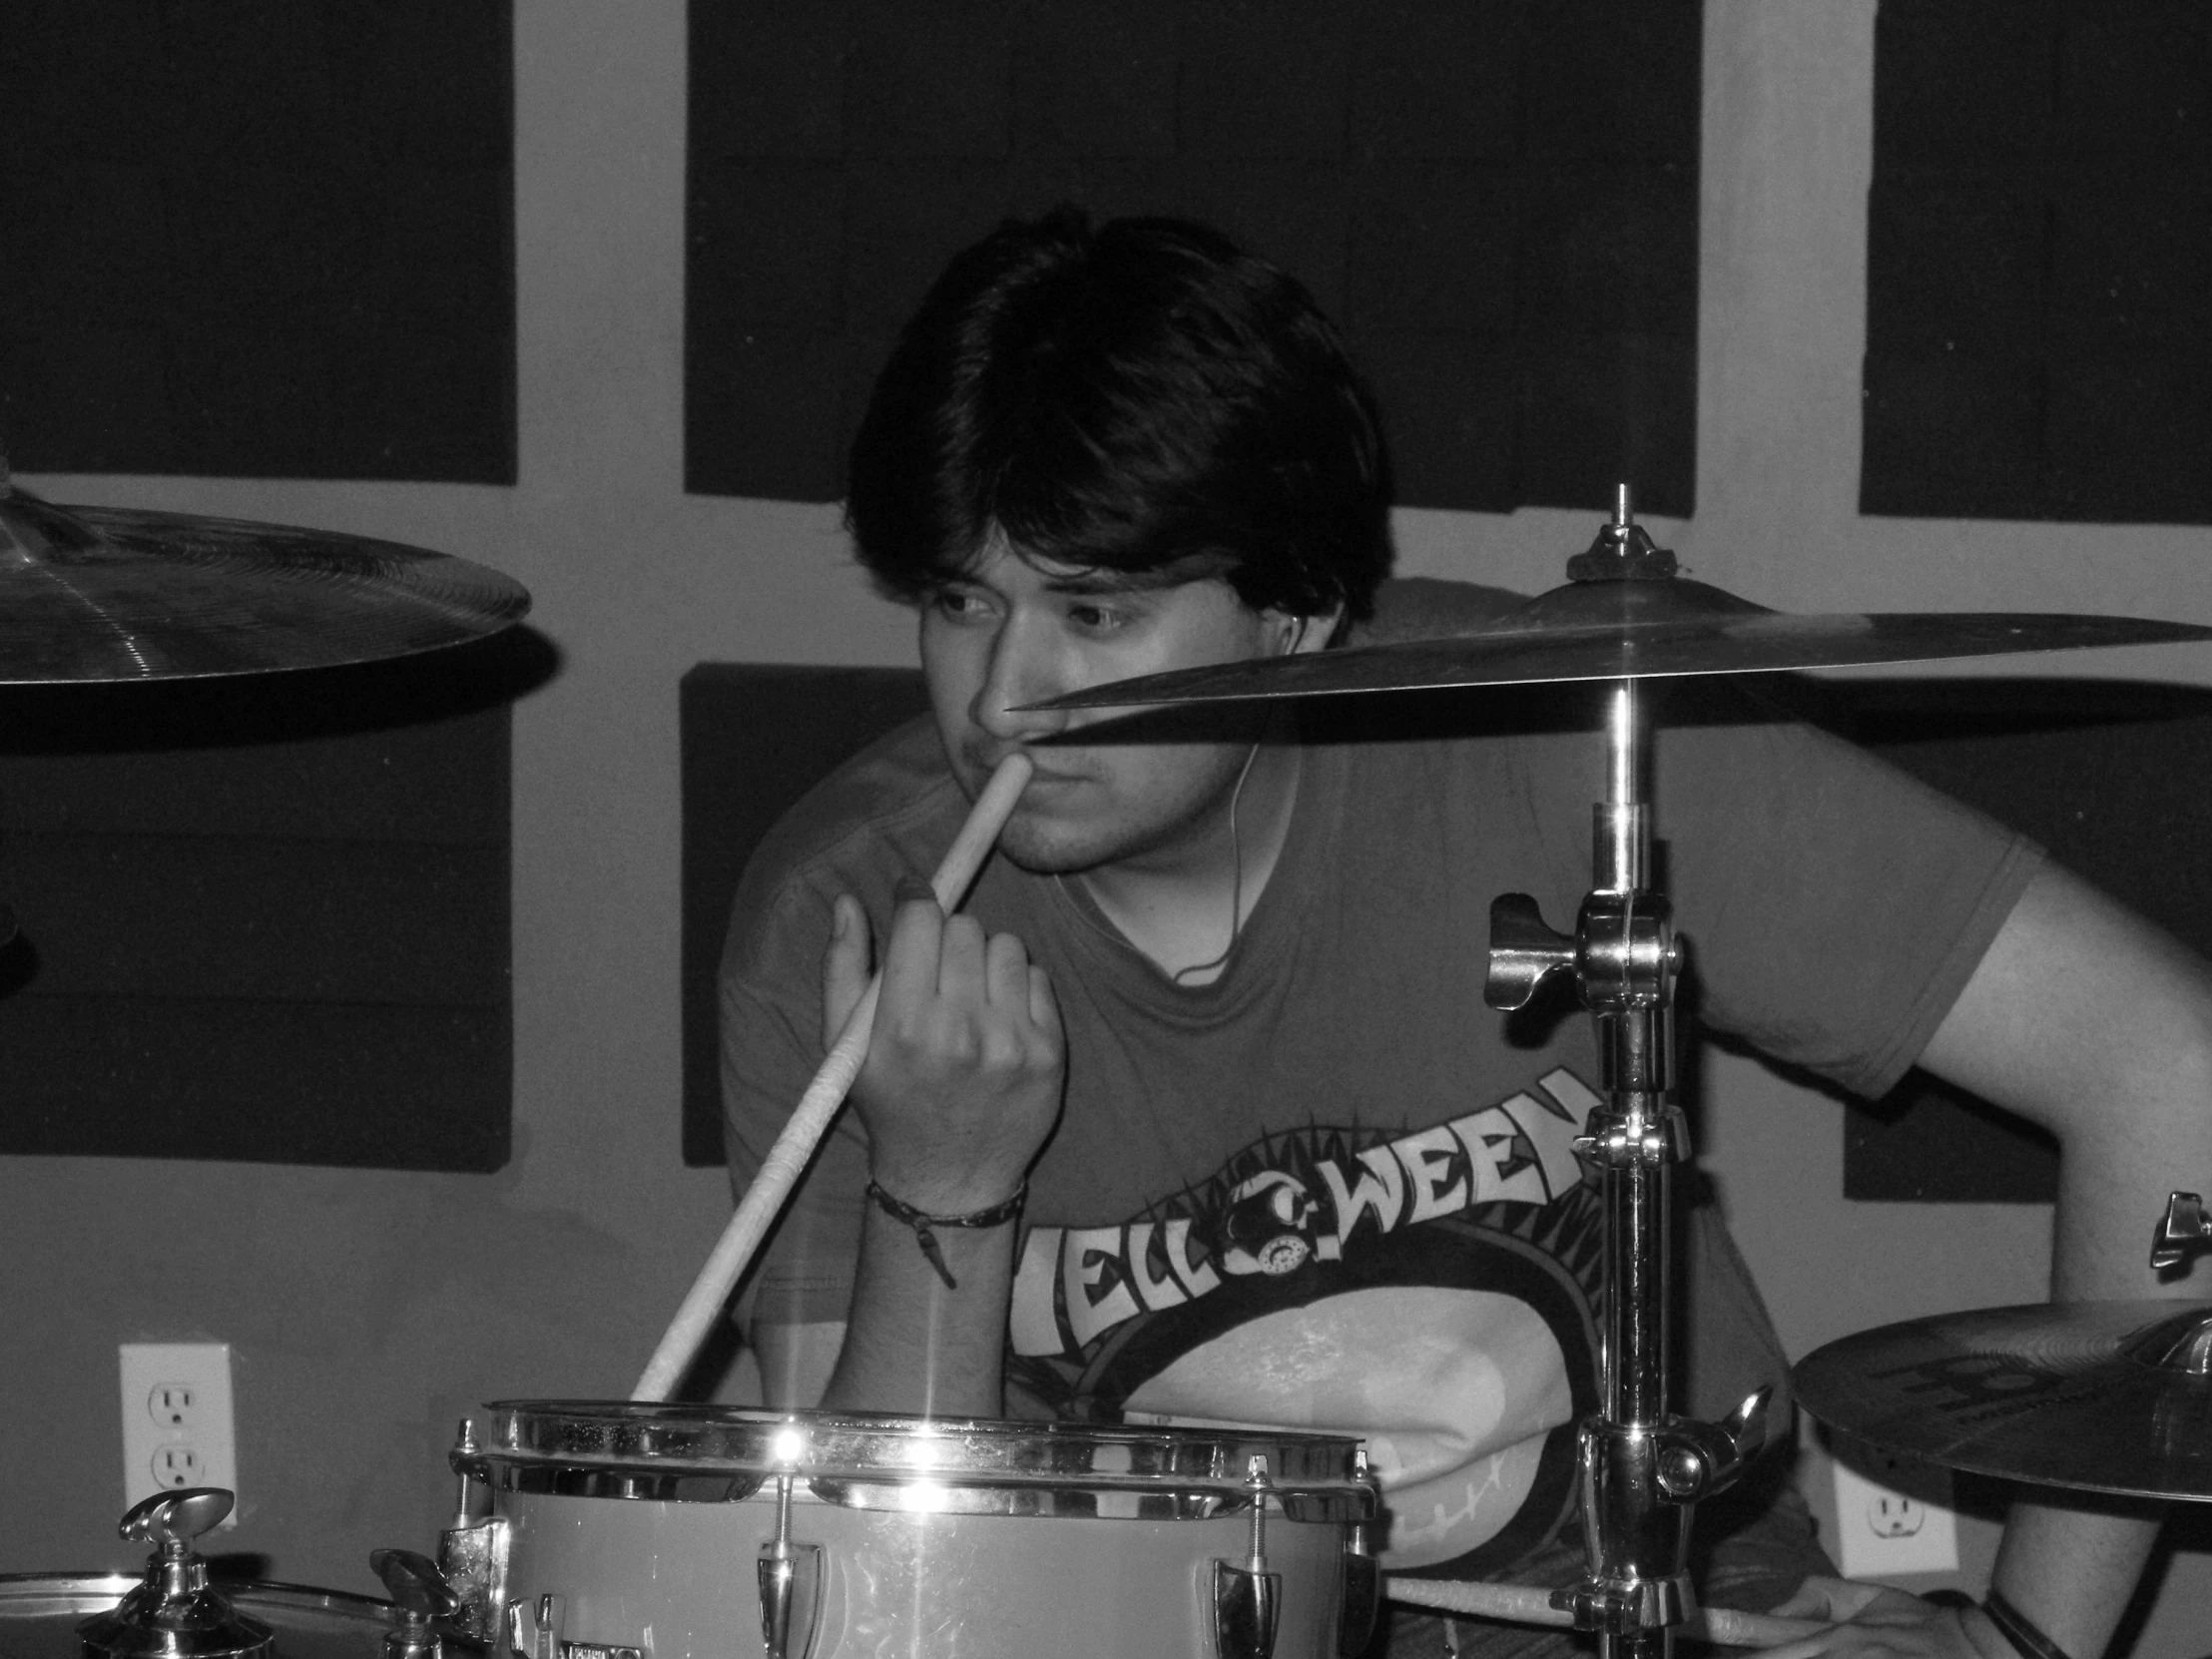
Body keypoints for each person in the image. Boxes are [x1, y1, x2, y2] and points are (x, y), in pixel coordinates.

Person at [721, 209, 2211, 1658]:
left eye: (1094, 617)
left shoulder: (1569, 742)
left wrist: (2020, 1633)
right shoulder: (844, 912)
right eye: (962, 604)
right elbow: (872, 1602)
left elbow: (2166, 1061)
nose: (1001, 700)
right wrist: (947, 1181)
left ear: (1294, 612)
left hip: (1648, 1609)